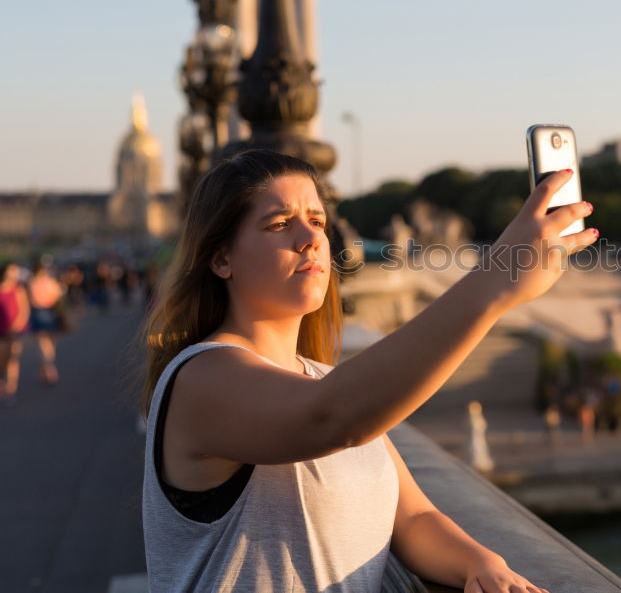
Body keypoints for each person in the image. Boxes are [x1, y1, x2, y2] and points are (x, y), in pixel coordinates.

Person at [140, 149, 596, 592]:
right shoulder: (200, 377)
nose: (311, 238)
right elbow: (333, 417)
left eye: (317, 221)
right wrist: (495, 281)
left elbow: (413, 519)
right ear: (221, 259)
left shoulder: (322, 378)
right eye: (280, 224)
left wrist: (482, 562)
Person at [28, 259, 64, 386]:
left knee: (43, 343)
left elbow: (33, 300)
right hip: (51, 311)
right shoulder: (50, 282)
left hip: (38, 312)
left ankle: (47, 368)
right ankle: (48, 368)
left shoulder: (33, 283)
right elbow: (58, 294)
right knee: (50, 343)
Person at [0, 262, 30, 406]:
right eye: (13, 271)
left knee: (13, 359)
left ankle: (10, 389)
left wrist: (16, 326)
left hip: (14, 331)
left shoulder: (18, 289)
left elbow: (24, 309)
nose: (16, 274)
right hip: (1, 330)